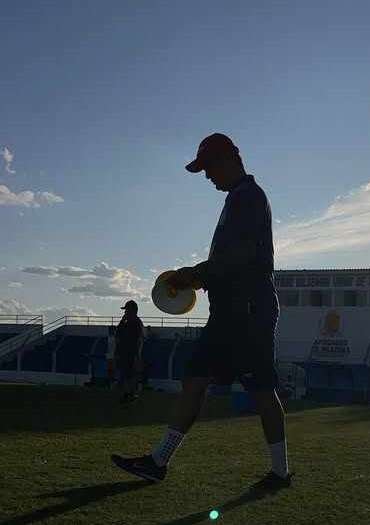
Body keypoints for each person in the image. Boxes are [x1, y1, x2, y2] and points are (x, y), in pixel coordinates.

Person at [111, 133, 291, 491]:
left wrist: (194, 275)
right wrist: (198, 276)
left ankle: (281, 473)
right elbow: (231, 260)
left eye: (209, 168)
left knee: (262, 391)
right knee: (195, 380)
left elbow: (239, 257)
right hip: (230, 310)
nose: (207, 176)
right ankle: (158, 461)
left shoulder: (248, 197)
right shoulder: (237, 198)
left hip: (249, 310)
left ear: (230, 160)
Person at [114, 300, 145, 404]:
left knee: (129, 375)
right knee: (127, 374)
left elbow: (138, 340)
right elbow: (118, 334)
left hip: (131, 353)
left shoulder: (135, 323)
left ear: (132, 311)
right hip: (126, 353)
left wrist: (137, 355)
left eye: (126, 310)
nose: (125, 312)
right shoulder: (129, 322)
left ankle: (129, 394)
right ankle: (128, 394)